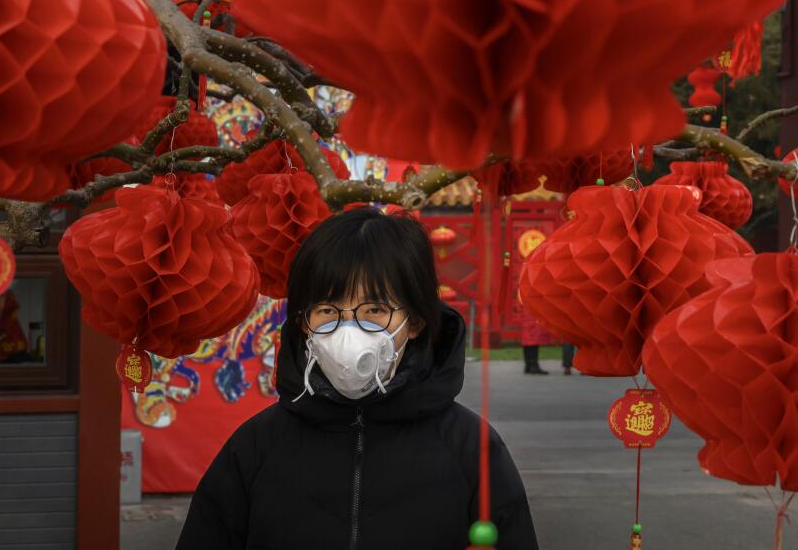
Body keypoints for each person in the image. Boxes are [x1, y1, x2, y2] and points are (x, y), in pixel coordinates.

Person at [177, 207, 538, 550]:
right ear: (304, 324)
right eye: (327, 311)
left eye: (375, 310)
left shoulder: (469, 447)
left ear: (415, 321)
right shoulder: (256, 447)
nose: (349, 332)